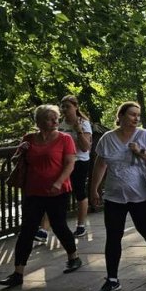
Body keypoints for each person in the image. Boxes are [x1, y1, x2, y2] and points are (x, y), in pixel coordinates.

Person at [88, 102, 146, 291]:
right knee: (113, 236)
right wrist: (94, 189)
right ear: (121, 116)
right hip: (114, 196)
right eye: (132, 114)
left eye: (138, 115)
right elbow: (100, 164)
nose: (136, 118)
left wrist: (141, 152)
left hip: (140, 194)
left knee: (144, 228)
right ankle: (112, 279)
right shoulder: (107, 138)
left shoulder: (145, 135)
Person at [0, 105, 81, 286]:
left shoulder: (65, 139)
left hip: (58, 191)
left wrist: (58, 182)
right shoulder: (29, 138)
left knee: (59, 226)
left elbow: (70, 164)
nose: (55, 121)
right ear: (39, 121)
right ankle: (18, 273)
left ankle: (73, 257)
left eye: (56, 118)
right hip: (33, 191)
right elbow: (16, 160)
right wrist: (21, 150)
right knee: (27, 231)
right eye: (50, 119)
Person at [58, 95, 93, 236]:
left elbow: (85, 148)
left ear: (76, 107)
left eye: (68, 106)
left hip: (79, 161)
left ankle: (81, 226)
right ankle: (45, 229)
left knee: (79, 192)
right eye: (62, 106)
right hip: (63, 162)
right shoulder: (60, 123)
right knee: (55, 192)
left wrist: (78, 129)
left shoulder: (83, 123)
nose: (64, 109)